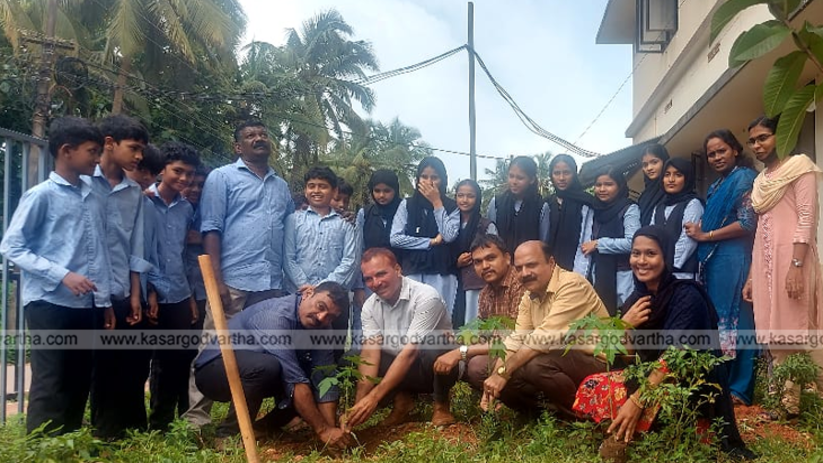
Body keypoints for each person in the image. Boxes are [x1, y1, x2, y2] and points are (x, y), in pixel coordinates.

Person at [574, 226, 754, 462]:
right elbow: (631, 360)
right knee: (593, 385)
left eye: (651, 253)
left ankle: (648, 434)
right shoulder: (637, 299)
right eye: (636, 253)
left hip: (688, 384)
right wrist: (625, 327)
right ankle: (630, 434)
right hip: (649, 377)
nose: (641, 261)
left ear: (666, 257)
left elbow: (673, 358)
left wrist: (636, 401)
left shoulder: (687, 296)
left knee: (649, 398)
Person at [0, 117, 112, 435]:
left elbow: (100, 252)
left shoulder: (93, 196)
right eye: (92, 151)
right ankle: (42, 447)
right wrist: (62, 275)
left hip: (86, 304)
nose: (97, 159)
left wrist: (103, 301)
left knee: (79, 377)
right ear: (66, 151)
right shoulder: (41, 195)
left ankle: (69, 443)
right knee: (51, 380)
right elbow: (11, 246)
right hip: (49, 302)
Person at [185, 120, 294, 427]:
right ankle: (196, 419)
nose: (259, 138)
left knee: (257, 352)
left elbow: (290, 228)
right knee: (213, 346)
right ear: (238, 146)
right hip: (232, 280)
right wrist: (216, 280)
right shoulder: (222, 177)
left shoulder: (281, 186)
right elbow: (211, 229)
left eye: (263, 134)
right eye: (250, 136)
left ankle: (237, 422)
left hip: (269, 284)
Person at [194, 282, 351, 450]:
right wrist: (323, 430)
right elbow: (295, 381)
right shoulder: (275, 316)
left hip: (256, 371)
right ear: (308, 293)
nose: (321, 317)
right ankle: (227, 435)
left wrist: (331, 430)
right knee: (270, 368)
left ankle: (261, 429)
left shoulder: (323, 327)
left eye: (330, 317)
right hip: (214, 371)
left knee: (308, 378)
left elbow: (324, 376)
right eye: (320, 307)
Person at [465, 240, 610, 419]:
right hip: (559, 358)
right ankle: (549, 414)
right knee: (487, 369)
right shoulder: (529, 296)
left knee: (535, 365)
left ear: (551, 263)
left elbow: (541, 339)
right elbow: (516, 340)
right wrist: (496, 376)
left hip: (595, 360)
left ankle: (582, 416)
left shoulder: (572, 285)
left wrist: (503, 373)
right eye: (519, 268)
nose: (525, 273)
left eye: (531, 265)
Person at [743, 115, 823, 415]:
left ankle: (804, 402)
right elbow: (760, 231)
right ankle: (783, 402)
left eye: (763, 137)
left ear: (783, 135)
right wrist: (752, 276)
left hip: (793, 260)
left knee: (795, 326)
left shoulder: (800, 167)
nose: (756, 145)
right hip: (765, 264)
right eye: (752, 141)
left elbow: (807, 217)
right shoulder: (761, 181)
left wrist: (797, 265)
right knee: (772, 328)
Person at [89, 114, 153, 439]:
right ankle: (103, 429)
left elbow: (136, 247)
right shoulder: (84, 184)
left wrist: (135, 294)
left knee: (127, 361)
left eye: (142, 150)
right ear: (110, 143)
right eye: (134, 148)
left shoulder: (133, 194)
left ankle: (127, 426)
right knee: (98, 365)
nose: (139, 156)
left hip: (123, 290)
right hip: (88, 291)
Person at [344, 248, 458, 430]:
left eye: (381, 274)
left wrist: (374, 397)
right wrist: (359, 405)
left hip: (432, 367)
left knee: (436, 343)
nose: (376, 283)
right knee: (353, 357)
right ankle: (403, 402)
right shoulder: (369, 307)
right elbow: (370, 354)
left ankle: (441, 405)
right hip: (401, 366)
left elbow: (411, 352)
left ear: (397, 270)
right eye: (368, 279)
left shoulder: (426, 296)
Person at [684, 129, 758, 405]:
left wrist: (707, 235)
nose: (716, 157)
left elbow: (747, 223)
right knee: (719, 323)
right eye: (711, 154)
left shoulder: (744, 178)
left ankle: (741, 388)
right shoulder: (716, 186)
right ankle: (723, 383)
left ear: (735, 150)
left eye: (721, 151)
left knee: (740, 322)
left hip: (735, 258)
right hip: (714, 261)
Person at [144, 142, 200, 430]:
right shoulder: (142, 201)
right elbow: (140, 252)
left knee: (177, 359)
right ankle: (152, 423)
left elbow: (182, 255)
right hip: (146, 294)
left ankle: (172, 423)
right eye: (178, 171)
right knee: (148, 362)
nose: (184, 179)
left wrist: (189, 296)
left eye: (189, 174)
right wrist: (150, 290)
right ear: (161, 170)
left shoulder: (185, 208)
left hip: (178, 294)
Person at [284, 166, 358, 359]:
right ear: (305, 190)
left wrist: (321, 289)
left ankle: (329, 378)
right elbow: (288, 258)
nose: (316, 190)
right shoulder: (293, 220)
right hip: (299, 295)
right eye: (311, 186)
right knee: (297, 349)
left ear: (334, 191)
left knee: (332, 350)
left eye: (323, 186)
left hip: (334, 298)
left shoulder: (346, 224)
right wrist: (305, 286)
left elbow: (349, 261)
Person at [433, 234, 525, 378]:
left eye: (491, 258)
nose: (485, 266)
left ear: (507, 258)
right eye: (478, 262)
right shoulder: (485, 294)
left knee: (476, 365)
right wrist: (457, 339)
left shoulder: (520, 284)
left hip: (524, 348)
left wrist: (461, 352)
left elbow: (513, 338)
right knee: (441, 346)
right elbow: (483, 336)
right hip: (499, 347)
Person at [390, 157, 460, 316]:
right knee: (412, 319)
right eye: (424, 177)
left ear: (443, 180)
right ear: (417, 179)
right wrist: (430, 242)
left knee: (439, 318)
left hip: (441, 272)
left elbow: (449, 235)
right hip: (413, 271)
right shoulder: (407, 204)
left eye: (434, 177)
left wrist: (437, 203)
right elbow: (395, 238)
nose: (429, 182)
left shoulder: (451, 206)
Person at [353, 169, 404, 347]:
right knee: (366, 325)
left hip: (397, 281)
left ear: (395, 190)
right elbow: (358, 250)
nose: (381, 195)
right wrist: (358, 286)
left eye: (387, 191)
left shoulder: (405, 210)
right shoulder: (365, 213)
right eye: (377, 191)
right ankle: (359, 361)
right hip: (370, 282)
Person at [582, 169, 640, 314]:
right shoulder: (594, 210)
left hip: (623, 274)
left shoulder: (629, 208)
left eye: (608, 184)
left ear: (620, 186)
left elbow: (633, 243)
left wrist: (599, 244)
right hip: (598, 273)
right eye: (598, 185)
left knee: (624, 316)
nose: (602, 189)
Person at [451, 179, 497, 327]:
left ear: (477, 198)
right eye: (460, 195)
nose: (465, 200)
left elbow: (495, 252)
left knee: (473, 322)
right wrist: (455, 261)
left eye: (470, 196)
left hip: (476, 282)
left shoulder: (486, 225)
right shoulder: (449, 224)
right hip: (453, 281)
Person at [650, 158, 703, 280]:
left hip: (683, 274)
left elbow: (687, 241)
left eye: (678, 175)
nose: (671, 179)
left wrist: (667, 266)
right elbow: (651, 237)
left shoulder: (693, 204)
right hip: (659, 273)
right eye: (667, 175)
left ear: (687, 178)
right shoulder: (659, 207)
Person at [486, 156, 550, 253]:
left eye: (520, 178)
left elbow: (543, 242)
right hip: (502, 259)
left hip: (529, 259)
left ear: (532, 179)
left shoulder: (541, 207)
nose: (514, 182)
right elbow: (491, 238)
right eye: (511, 176)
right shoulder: (496, 203)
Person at [545, 154, 594, 275]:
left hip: (577, 268)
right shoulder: (546, 203)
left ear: (574, 173)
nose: (561, 178)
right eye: (557, 173)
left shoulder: (586, 202)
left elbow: (586, 238)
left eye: (566, 172)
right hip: (548, 268)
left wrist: (578, 274)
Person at [637, 144, 670, 226]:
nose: (649, 168)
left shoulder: (672, 190)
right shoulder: (644, 196)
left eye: (654, 162)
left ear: (664, 162)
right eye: (645, 165)